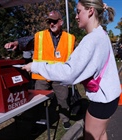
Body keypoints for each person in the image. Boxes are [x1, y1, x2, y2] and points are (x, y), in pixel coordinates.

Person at [22, 1, 121, 140]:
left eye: (78, 11)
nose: (76, 16)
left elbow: (68, 73)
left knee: (92, 137)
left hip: (102, 100)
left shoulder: (91, 39)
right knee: (101, 134)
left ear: (90, 11)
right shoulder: (102, 34)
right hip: (111, 97)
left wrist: (36, 66)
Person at [4, 10, 76, 130]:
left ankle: (65, 119)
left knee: (63, 99)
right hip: (41, 75)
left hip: (59, 76)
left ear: (61, 22)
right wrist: (15, 43)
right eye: (49, 22)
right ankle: (36, 122)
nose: (51, 24)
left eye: (54, 21)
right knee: (37, 101)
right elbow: (26, 41)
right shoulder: (40, 36)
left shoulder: (70, 39)